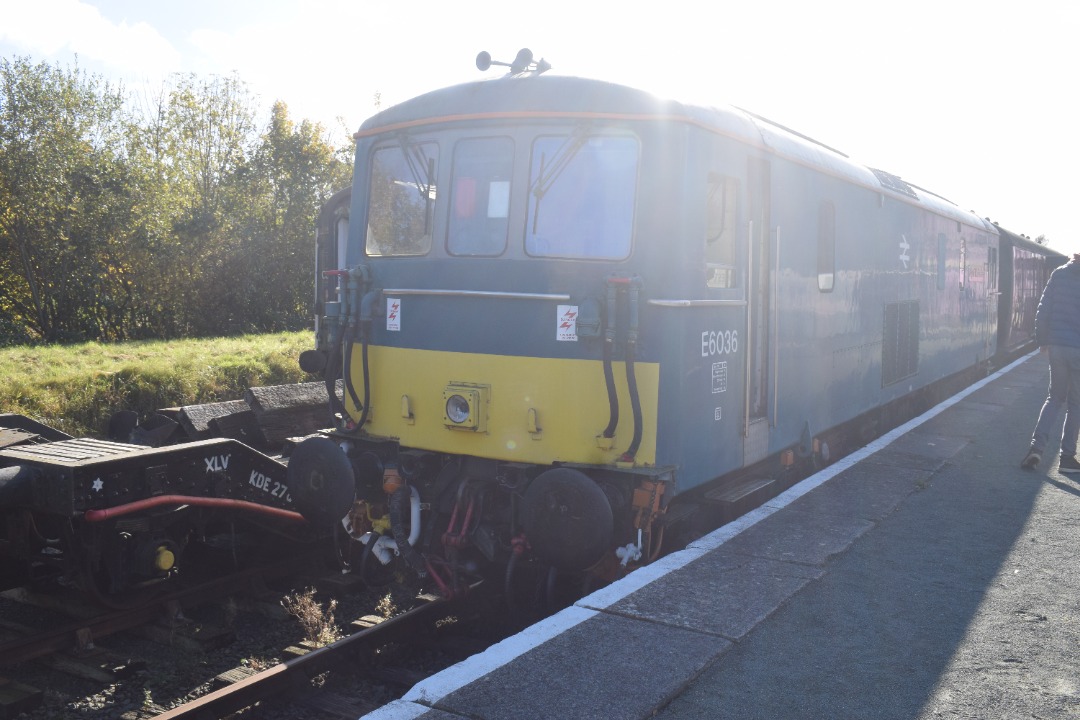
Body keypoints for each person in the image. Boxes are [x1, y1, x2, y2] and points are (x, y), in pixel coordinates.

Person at [1021, 252, 1080, 473]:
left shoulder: (1059, 274)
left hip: (1057, 347)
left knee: (1054, 398)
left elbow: (1042, 309)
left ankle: (1036, 449)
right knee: (1076, 404)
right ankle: (1066, 459)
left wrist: (1043, 340)